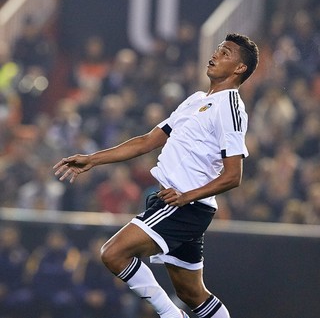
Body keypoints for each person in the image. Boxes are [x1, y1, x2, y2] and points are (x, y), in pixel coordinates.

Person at [54, 33, 259, 318]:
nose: (215, 55)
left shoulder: (230, 107)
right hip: (174, 201)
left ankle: (171, 316)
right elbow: (147, 141)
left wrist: (186, 197)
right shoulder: (197, 100)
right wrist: (92, 159)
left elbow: (233, 175)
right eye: (217, 49)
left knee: (113, 253)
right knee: (193, 294)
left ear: (240, 68)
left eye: (226, 53)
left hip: (184, 206)